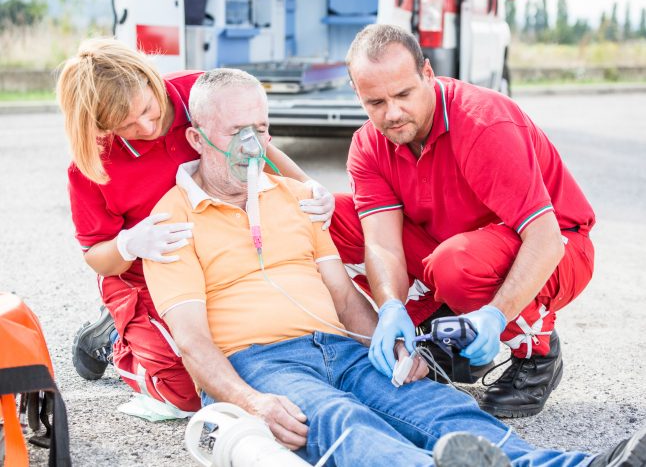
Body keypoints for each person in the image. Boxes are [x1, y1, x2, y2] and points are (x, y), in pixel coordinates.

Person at [142, 68, 644, 467]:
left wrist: (392, 339)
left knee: (435, 406)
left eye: (262, 129)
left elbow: (341, 296)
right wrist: (251, 401)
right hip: (262, 362)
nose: (253, 145)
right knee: (345, 421)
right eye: (237, 131)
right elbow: (192, 341)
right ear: (196, 137)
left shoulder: (295, 200)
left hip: (338, 348)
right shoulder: (170, 221)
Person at [328, 24, 596, 418]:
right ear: (357, 94)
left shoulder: (483, 122)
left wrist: (496, 314)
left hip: (556, 247)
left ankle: (537, 355)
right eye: (376, 102)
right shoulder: (368, 144)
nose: (393, 113)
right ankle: (443, 339)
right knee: (335, 218)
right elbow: (381, 243)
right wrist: (390, 308)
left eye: (404, 94)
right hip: (455, 245)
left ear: (428, 75)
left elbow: (547, 239)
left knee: (457, 264)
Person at [56, 38, 335, 413]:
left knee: (235, 362)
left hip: (218, 251)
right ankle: (114, 344)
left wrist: (307, 186)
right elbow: (97, 256)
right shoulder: (92, 164)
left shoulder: (198, 91)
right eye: (127, 125)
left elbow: (255, 146)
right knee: (190, 391)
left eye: (148, 109)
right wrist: (128, 245)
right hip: (146, 270)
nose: (147, 126)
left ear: (149, 78)